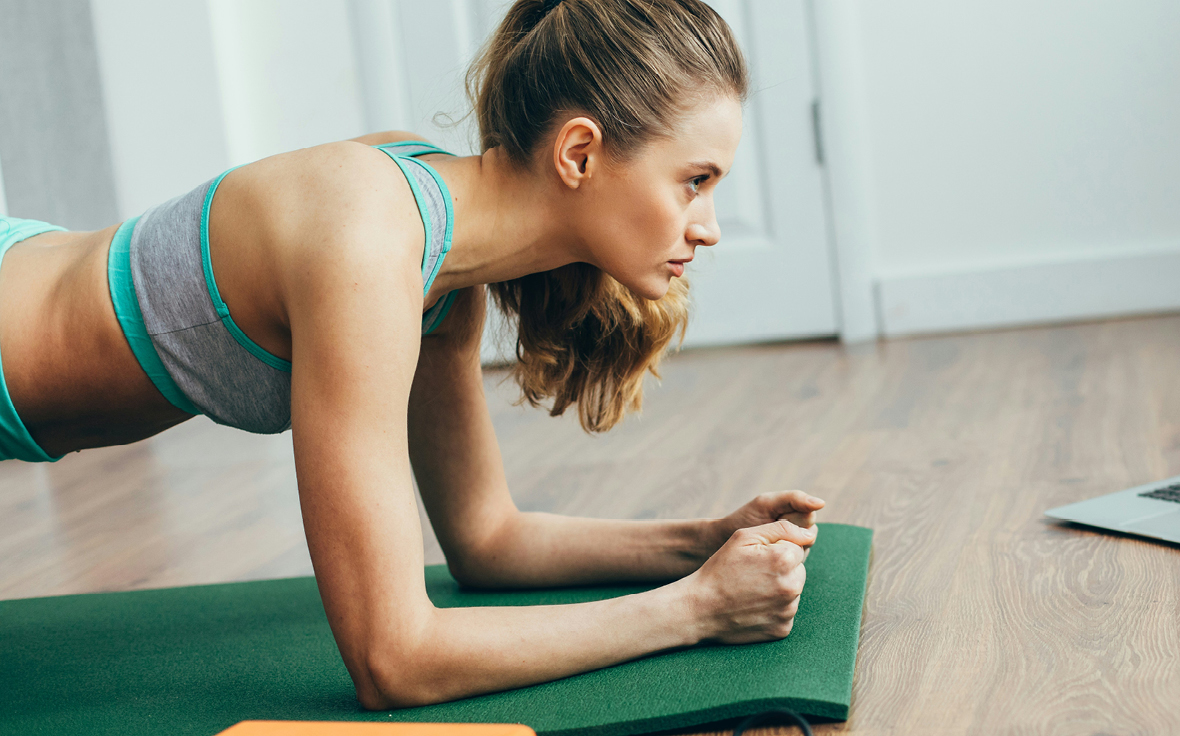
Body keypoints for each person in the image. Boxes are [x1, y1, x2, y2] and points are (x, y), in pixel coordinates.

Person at [0, 0, 826, 709]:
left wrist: (704, 541)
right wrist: (694, 610)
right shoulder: (367, 237)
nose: (709, 224)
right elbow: (392, 660)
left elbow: (487, 539)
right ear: (579, 153)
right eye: (695, 180)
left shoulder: (440, 269)